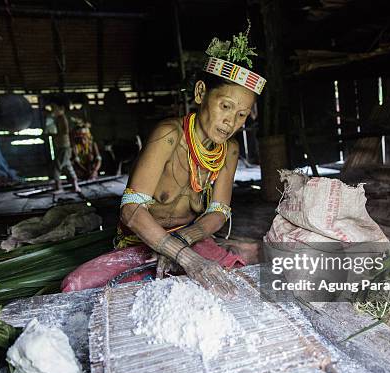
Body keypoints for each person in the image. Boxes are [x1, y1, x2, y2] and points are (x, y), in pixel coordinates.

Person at [62, 24, 266, 297]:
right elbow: (131, 211)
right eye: (225, 106)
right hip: (142, 242)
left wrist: (183, 242)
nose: (231, 121)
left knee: (232, 285)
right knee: (76, 286)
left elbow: (219, 212)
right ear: (201, 93)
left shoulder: (229, 150)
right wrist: (184, 257)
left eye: (241, 115)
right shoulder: (169, 135)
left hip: (190, 240)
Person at [50, 100, 81, 193]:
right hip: (62, 146)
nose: (53, 111)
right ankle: (76, 186)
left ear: (61, 109)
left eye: (54, 109)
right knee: (67, 166)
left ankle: (58, 187)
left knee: (56, 165)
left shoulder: (62, 118)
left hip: (64, 146)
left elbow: (65, 131)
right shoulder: (58, 118)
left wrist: (55, 133)